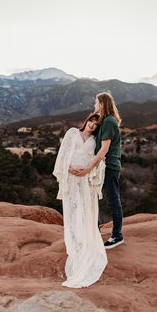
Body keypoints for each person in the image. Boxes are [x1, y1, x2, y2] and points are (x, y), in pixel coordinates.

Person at [53, 113, 107, 288]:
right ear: (87, 121)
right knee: (72, 210)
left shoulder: (94, 140)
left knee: (85, 211)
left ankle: (85, 243)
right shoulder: (72, 133)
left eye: (96, 125)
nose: (93, 126)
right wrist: (66, 169)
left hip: (84, 180)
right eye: (92, 122)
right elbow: (62, 153)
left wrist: (88, 171)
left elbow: (97, 159)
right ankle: (75, 245)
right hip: (70, 178)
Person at [70, 92, 123, 249]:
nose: (95, 105)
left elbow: (104, 150)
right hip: (104, 167)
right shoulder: (106, 121)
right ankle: (94, 231)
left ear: (102, 104)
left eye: (96, 102)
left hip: (110, 167)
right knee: (96, 198)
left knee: (113, 199)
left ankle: (117, 235)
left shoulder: (108, 122)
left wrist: (87, 168)